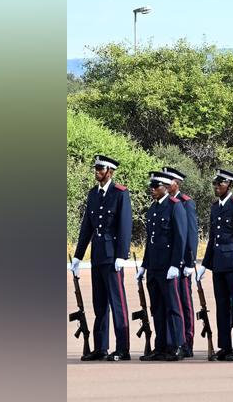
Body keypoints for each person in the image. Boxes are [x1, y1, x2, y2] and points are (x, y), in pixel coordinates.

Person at [71, 154, 133, 361]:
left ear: (110, 171)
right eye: (96, 169)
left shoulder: (120, 193)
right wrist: (78, 256)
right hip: (98, 255)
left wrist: (121, 255)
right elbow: (87, 227)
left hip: (113, 256)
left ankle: (123, 348)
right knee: (99, 304)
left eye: (100, 169)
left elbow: (125, 225)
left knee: (117, 303)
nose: (97, 172)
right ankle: (100, 347)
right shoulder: (93, 194)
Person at [199, 169, 233, 361]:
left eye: (220, 183)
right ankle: (225, 346)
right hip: (219, 265)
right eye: (215, 183)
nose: (216, 187)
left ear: (229, 185)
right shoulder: (215, 207)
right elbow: (213, 238)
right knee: (222, 307)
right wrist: (205, 264)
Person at [137, 170, 188, 361]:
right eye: (151, 186)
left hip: (168, 267)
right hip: (154, 266)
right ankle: (161, 346)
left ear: (166, 187)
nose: (152, 189)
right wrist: (144, 265)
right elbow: (150, 241)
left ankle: (178, 345)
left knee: (173, 307)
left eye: (155, 186)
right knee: (157, 308)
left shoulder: (175, 206)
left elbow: (180, 238)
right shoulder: (153, 208)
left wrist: (176, 264)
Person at [163, 166, 197, 358]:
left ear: (177, 183)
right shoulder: (166, 203)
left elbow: (190, 235)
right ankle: (174, 340)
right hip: (169, 262)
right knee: (171, 303)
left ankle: (187, 341)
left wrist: (189, 262)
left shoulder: (185, 203)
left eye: (169, 182)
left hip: (183, 263)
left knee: (185, 302)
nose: (166, 185)